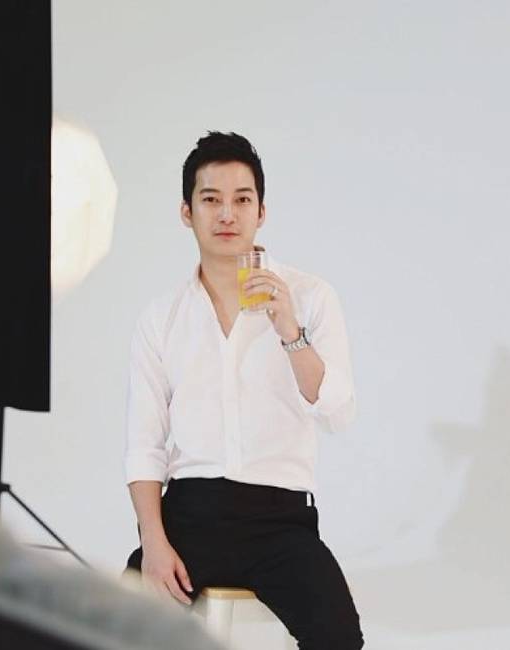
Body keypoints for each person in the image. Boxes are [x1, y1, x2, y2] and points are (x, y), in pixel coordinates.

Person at [123, 131, 364, 650]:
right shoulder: (162, 317)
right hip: (188, 515)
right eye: (211, 200)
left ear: (261, 211)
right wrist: (153, 542)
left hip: (279, 521)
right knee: (117, 629)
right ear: (187, 212)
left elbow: (338, 413)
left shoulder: (310, 297)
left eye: (242, 199)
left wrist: (290, 330)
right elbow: (144, 446)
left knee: (338, 638)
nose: (227, 214)